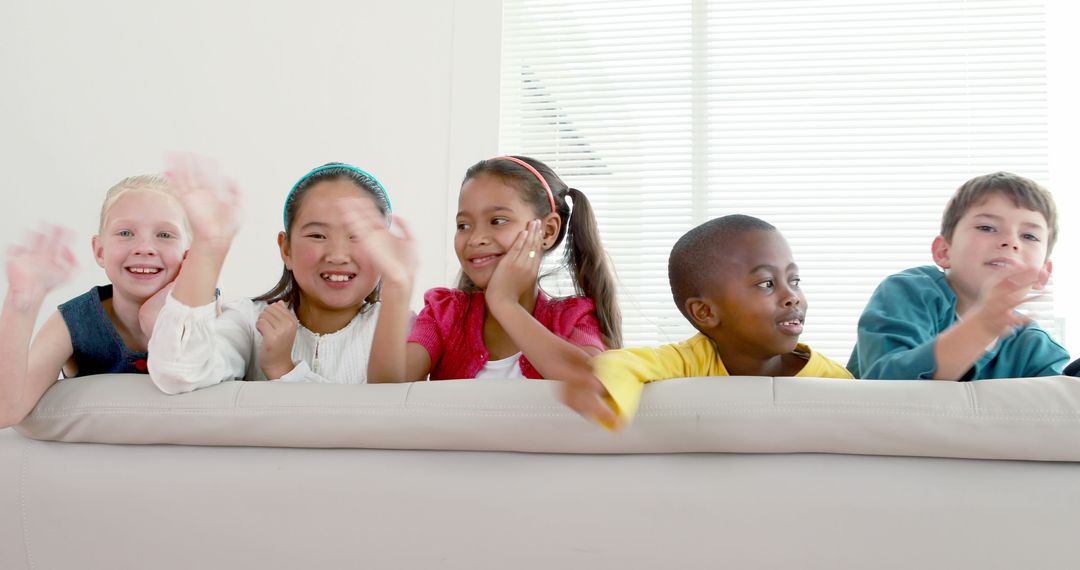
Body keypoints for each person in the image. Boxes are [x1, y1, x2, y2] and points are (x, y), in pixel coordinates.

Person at [148, 155, 415, 393]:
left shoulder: (402, 327)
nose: (337, 254)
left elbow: (385, 416)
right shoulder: (249, 321)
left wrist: (284, 370)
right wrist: (209, 245)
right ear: (286, 249)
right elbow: (178, 373)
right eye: (317, 235)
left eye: (358, 236)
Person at [561, 214, 852, 427]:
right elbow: (622, 363)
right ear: (705, 313)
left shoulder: (832, 378)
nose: (793, 297)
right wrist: (600, 387)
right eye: (766, 284)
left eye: (794, 280)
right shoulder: (688, 361)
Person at [374, 155, 619, 388]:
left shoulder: (573, 318)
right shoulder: (445, 314)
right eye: (464, 225)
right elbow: (388, 385)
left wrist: (504, 303)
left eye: (498, 221)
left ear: (548, 231)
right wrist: (396, 285)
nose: (476, 238)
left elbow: (593, 383)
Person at [0, 174, 189, 427]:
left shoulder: (206, 312)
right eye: (125, 232)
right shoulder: (74, 321)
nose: (145, 247)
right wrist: (20, 303)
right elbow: (6, 410)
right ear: (100, 251)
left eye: (165, 235)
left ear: (189, 256)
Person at [849, 172, 1069, 380]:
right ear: (944, 251)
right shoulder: (909, 293)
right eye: (987, 227)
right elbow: (884, 383)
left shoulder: (1036, 346)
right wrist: (980, 328)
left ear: (1043, 273)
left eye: (1029, 236)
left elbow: (1060, 406)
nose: (1011, 241)